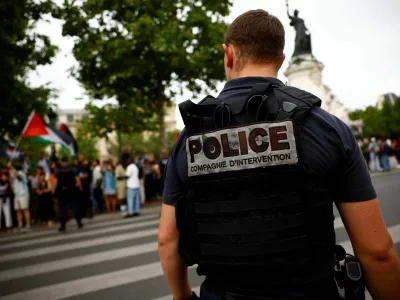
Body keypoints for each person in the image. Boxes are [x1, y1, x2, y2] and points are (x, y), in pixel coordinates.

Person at [158, 9, 400, 300]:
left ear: (228, 54)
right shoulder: (327, 128)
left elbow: (167, 240)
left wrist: (183, 297)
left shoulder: (189, 138)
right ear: (281, 59)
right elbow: (377, 253)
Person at [55, 157, 83, 232]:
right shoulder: (72, 169)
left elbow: (55, 182)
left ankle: (63, 225)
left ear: (62, 162)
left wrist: (55, 191)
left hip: (62, 191)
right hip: (72, 189)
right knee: (74, 206)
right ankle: (79, 222)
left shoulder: (58, 170)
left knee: (63, 208)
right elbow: (77, 179)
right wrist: (80, 187)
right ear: (67, 161)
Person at [9, 162, 31, 232]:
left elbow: (18, 176)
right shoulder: (13, 175)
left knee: (25, 210)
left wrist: (11, 167)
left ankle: (28, 225)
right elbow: (12, 184)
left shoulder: (22, 173)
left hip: (23, 194)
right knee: (18, 211)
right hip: (17, 195)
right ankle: (20, 225)